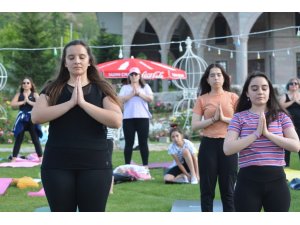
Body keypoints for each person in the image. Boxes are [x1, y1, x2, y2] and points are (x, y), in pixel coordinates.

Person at [31, 40, 122, 212]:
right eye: (71, 57)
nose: (77, 61)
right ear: (65, 62)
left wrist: (82, 103)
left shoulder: (102, 89)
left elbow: (116, 120)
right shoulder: (53, 88)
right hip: (57, 165)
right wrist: (70, 103)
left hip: (95, 165)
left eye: (82, 57)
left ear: (89, 61)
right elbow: (36, 116)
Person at [223, 72, 300, 212]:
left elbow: (296, 145)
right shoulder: (239, 118)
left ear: (269, 91)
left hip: (276, 181)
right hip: (247, 182)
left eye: (264, 88)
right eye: (254, 88)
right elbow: (228, 148)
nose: (260, 92)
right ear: (247, 93)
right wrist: (256, 134)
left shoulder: (281, 116)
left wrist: (267, 134)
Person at [191, 63, 238, 212]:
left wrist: (223, 119)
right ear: (207, 79)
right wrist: (212, 120)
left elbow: (241, 122)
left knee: (228, 192)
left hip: (228, 146)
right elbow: (195, 125)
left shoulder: (233, 97)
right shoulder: (202, 99)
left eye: (219, 75)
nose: (216, 78)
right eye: (212, 75)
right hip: (208, 146)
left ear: (224, 78)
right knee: (207, 191)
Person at [118, 67, 153, 168]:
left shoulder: (145, 87)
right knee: (129, 142)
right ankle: (127, 165)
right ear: (129, 76)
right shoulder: (125, 88)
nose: (134, 76)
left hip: (143, 117)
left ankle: (145, 165)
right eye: (132, 74)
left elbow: (150, 99)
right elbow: (120, 100)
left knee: (143, 142)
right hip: (128, 118)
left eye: (136, 74)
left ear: (139, 75)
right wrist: (131, 94)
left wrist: (139, 94)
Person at [10, 77, 43, 162]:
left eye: (28, 83)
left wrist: (28, 101)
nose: (26, 84)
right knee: (19, 139)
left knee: (35, 139)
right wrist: (23, 101)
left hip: (32, 119)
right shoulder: (19, 94)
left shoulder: (35, 94)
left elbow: (40, 105)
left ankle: (41, 159)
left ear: (31, 85)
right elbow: (12, 104)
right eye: (24, 83)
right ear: (22, 85)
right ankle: (13, 159)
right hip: (22, 119)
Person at [279, 77, 300, 166]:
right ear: (288, 86)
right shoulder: (285, 96)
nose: (294, 85)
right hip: (288, 125)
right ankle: (286, 166)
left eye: (296, 83)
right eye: (291, 83)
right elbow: (280, 106)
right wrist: (292, 101)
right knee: (287, 146)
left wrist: (297, 101)